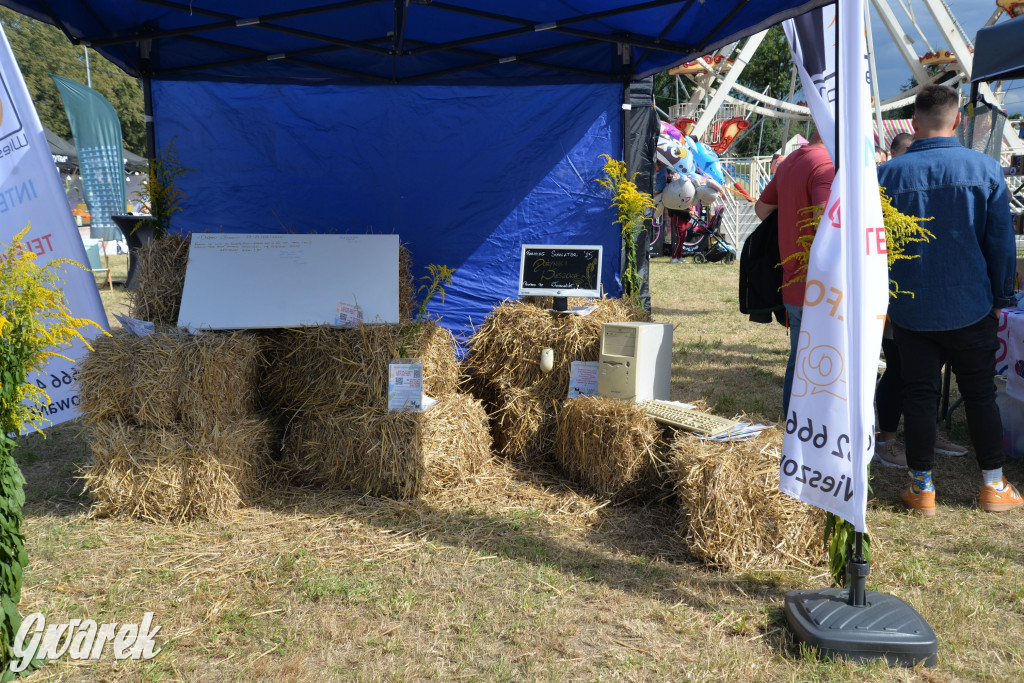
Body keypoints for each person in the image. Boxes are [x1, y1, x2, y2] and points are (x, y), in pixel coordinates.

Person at [877, 84, 1022, 515]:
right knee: (980, 395)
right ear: (958, 120)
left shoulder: (887, 175)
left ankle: (921, 487)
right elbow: (1001, 244)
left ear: (914, 122)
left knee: (918, 395)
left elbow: (876, 247)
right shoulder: (985, 168)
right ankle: (993, 486)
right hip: (971, 302)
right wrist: (1001, 296)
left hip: (911, 305)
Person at [874, 128, 968, 467]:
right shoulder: (883, 186)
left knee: (930, 370)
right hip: (894, 296)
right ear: (895, 155)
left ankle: (927, 434)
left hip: (931, 296)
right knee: (898, 368)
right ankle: (887, 439)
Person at [754, 130, 835, 416]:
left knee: (799, 357)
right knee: (824, 361)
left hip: (794, 279)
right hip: (823, 285)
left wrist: (790, 226)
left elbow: (762, 208)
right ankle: (807, 421)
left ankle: (793, 419)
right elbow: (825, 220)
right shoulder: (826, 164)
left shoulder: (789, 162)